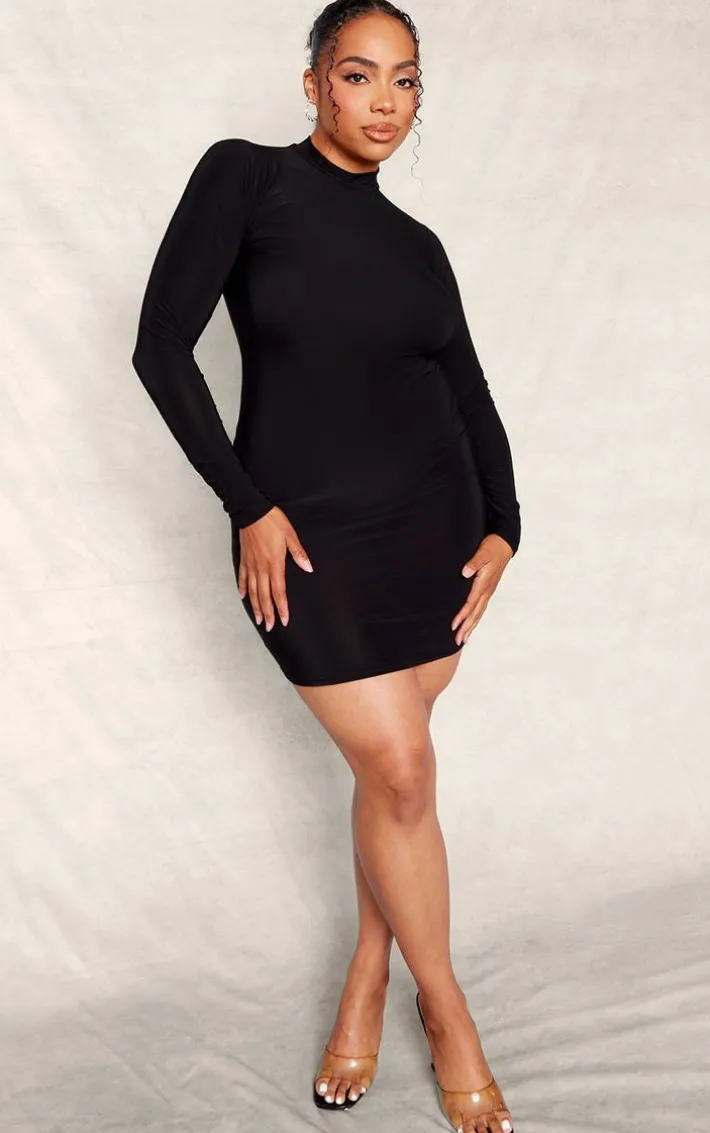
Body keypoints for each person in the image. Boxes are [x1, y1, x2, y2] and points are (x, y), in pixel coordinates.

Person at [131, 2, 520, 1130]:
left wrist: (506, 523)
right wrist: (245, 502)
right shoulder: (246, 178)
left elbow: (468, 391)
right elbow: (160, 346)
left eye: (406, 80)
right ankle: (446, 1009)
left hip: (432, 534)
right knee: (400, 770)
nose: (385, 101)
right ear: (314, 84)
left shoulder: (418, 248)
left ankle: (366, 967)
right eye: (359, 75)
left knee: (392, 781)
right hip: (305, 538)